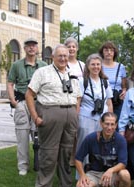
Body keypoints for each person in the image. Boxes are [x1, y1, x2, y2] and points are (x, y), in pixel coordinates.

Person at [25, 44, 81, 187]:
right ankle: (44, 184)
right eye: (60, 55)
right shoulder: (42, 72)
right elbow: (29, 95)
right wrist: (35, 117)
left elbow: (78, 97)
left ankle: (65, 184)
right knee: (48, 155)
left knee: (66, 153)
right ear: (53, 57)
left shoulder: (73, 75)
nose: (63, 58)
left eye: (65, 56)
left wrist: (75, 113)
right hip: (50, 114)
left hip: (70, 116)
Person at [7, 37, 47, 176]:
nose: (31, 48)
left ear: (37, 49)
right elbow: (10, 83)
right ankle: (23, 166)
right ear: (24, 48)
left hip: (39, 103)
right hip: (22, 103)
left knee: (41, 136)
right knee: (22, 135)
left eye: (34, 45)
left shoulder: (43, 65)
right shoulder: (17, 65)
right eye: (28, 45)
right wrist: (13, 100)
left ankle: (41, 164)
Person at [76, 53, 113, 167]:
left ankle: (99, 171)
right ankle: (82, 175)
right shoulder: (82, 81)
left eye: (98, 64)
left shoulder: (105, 82)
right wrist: (76, 120)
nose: (96, 67)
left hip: (102, 119)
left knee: (101, 146)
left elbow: (109, 103)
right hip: (86, 118)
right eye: (93, 64)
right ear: (87, 66)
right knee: (84, 145)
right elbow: (78, 102)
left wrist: (110, 120)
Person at [75, 112, 131, 187]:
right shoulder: (91, 138)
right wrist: (82, 175)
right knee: (81, 185)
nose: (109, 127)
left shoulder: (121, 140)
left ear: (116, 125)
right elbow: (78, 159)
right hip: (94, 173)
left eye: (112, 124)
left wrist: (111, 170)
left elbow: (123, 163)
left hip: (113, 173)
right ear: (101, 123)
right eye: (107, 124)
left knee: (125, 175)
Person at [64, 36, 85, 166]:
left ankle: (75, 158)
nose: (71, 49)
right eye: (69, 46)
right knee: (68, 132)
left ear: (77, 49)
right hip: (67, 100)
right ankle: (66, 158)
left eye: (73, 46)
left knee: (78, 131)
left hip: (81, 101)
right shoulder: (62, 63)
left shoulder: (82, 65)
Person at [99, 41, 127, 119]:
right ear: (102, 52)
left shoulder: (121, 67)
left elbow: (124, 86)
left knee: (117, 121)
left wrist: (124, 91)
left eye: (111, 50)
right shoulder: (98, 66)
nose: (109, 52)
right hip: (103, 98)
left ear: (114, 53)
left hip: (117, 99)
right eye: (106, 50)